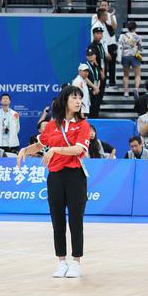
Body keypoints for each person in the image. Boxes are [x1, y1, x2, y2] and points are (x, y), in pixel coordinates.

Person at [16, 86, 91, 278]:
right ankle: (61, 261)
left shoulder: (83, 125)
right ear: (65, 99)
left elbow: (78, 150)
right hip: (55, 177)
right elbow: (40, 144)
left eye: (80, 98)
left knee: (76, 220)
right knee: (57, 219)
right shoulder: (52, 125)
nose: (78, 101)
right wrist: (25, 149)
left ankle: (76, 262)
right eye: (74, 97)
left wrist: (55, 150)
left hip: (75, 176)